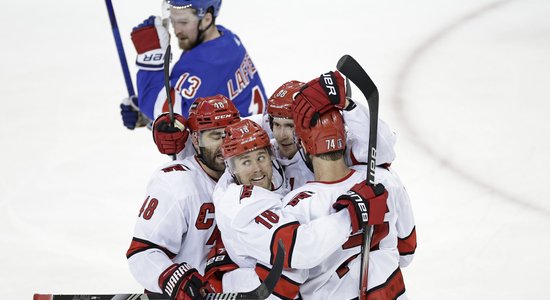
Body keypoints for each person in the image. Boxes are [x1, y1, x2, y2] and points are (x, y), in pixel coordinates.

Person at [210, 119, 389, 299]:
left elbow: (381, 151)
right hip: (260, 288)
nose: (257, 169)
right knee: (290, 275)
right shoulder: (239, 205)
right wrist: (351, 214)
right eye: (246, 162)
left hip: (269, 269)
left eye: (261, 158)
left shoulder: (274, 171)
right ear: (231, 168)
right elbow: (297, 249)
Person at [281, 71, 416, 299]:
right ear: (345, 139)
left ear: (304, 146)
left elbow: (286, 285)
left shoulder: (297, 205)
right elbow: (407, 252)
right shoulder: (383, 180)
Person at [125, 94, 241, 299]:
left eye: (229, 134)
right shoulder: (175, 184)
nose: (225, 144)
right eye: (215, 136)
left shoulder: (251, 172)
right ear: (195, 139)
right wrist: (172, 278)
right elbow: (142, 253)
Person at [121, 0, 267, 130]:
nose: (177, 30)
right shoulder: (225, 38)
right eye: (173, 21)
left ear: (207, 19)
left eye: (184, 22)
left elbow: (173, 120)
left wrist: (151, 58)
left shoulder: (207, 63)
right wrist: (151, 119)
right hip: (248, 144)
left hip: (238, 155)